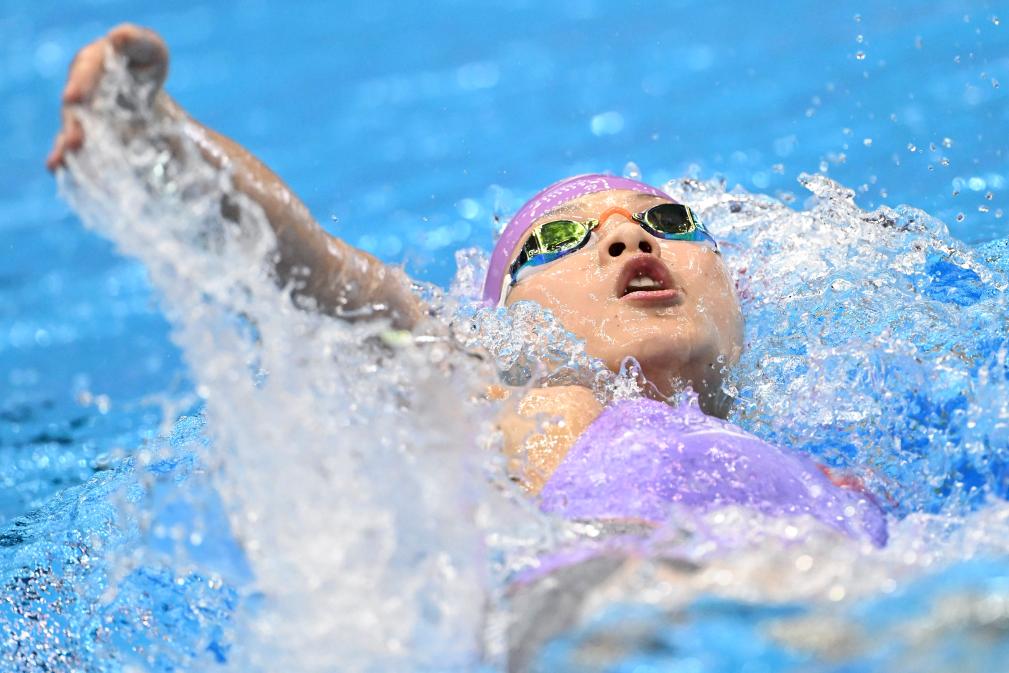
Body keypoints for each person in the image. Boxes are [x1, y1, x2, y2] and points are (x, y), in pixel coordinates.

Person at [49, 25, 886, 547]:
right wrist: (165, 142)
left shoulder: (832, 473)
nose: (628, 237)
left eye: (669, 221)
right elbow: (334, 282)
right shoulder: (512, 399)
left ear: (738, 288)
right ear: (506, 318)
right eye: (557, 238)